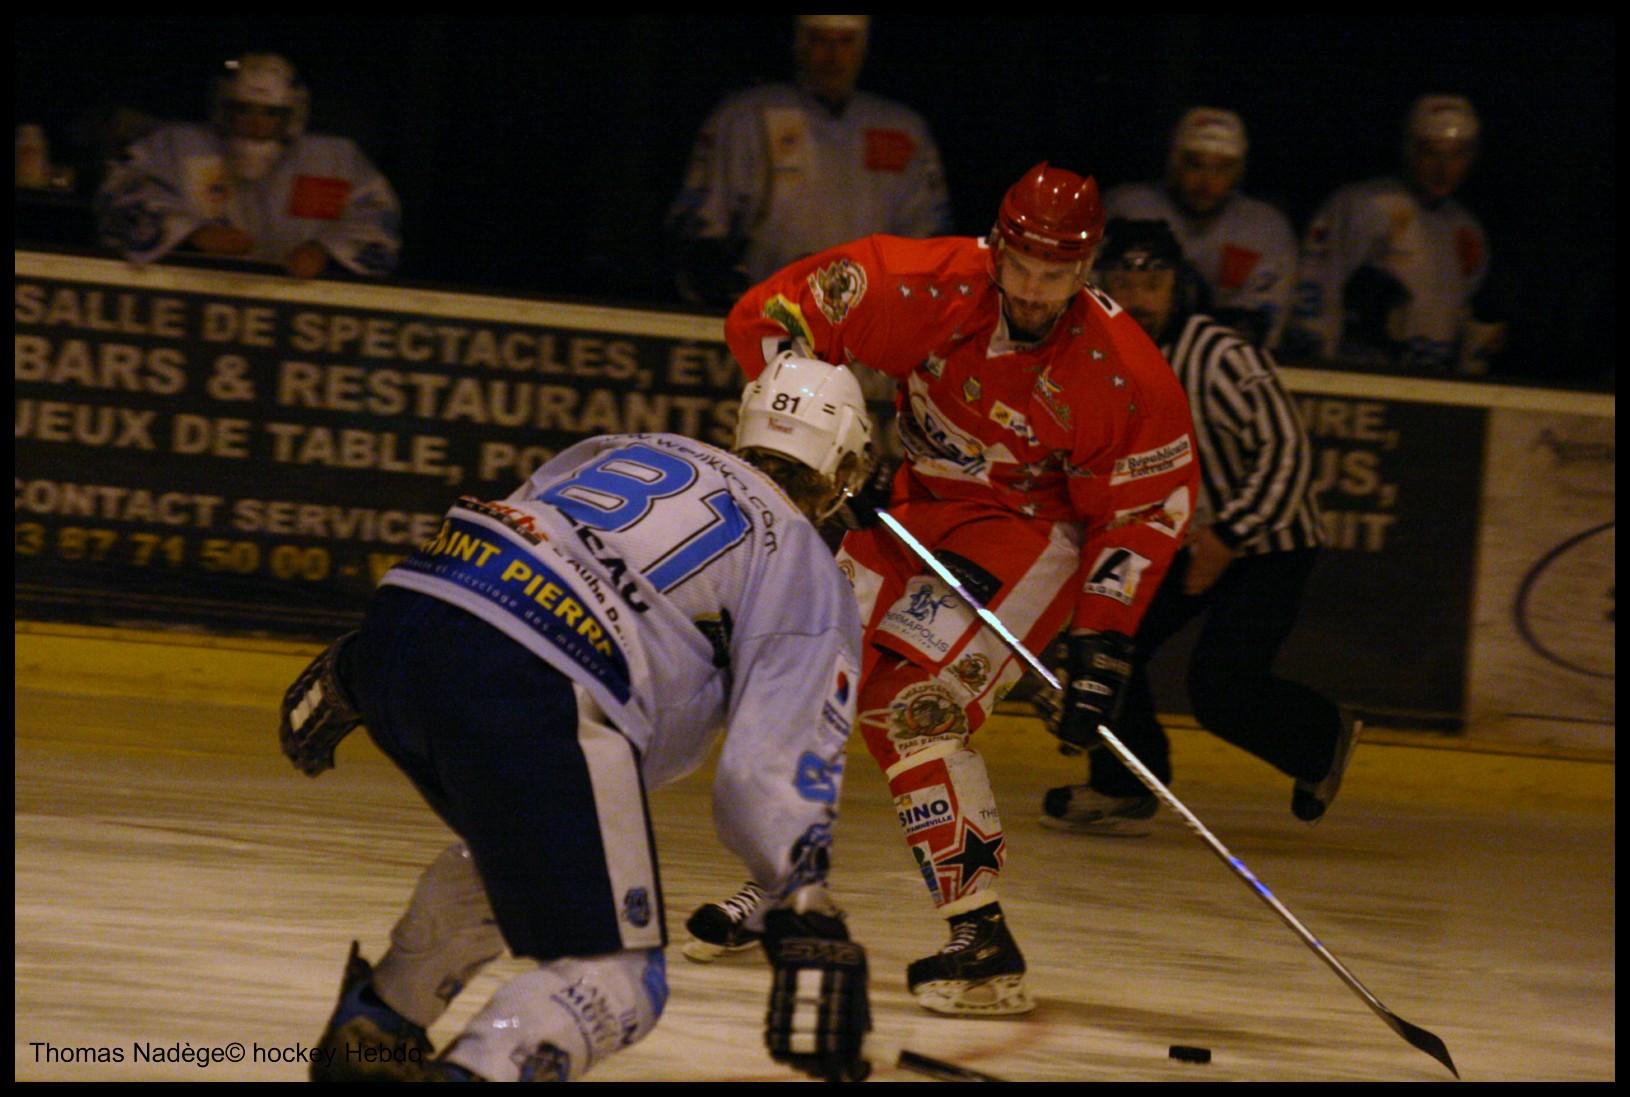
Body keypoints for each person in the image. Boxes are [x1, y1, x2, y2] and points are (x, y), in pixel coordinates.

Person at [686, 163, 1201, 1017]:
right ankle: (784, 882)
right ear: (997, 245)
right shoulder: (918, 283)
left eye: (1056, 276)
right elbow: (772, 316)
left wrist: (1105, 638)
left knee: (913, 707)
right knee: (802, 674)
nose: (1032, 292)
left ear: (1086, 267)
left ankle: (983, 938)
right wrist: (825, 444)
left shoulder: (1122, 372)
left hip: (1032, 533)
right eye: (1020, 267)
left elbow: (1149, 507)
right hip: (911, 506)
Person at [277, 356, 878, 1082]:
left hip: (403, 621)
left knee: (514, 849)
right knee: (618, 976)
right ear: (845, 467)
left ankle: (376, 1028)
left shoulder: (631, 447)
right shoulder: (803, 561)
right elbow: (767, 771)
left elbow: (513, 542)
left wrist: (359, 662)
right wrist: (802, 895)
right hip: (543, 675)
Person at [1041, 218, 1360, 835]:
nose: (1138, 299)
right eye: (1123, 282)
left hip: (1268, 542)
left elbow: (1288, 451)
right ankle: (1125, 785)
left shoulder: (1219, 355)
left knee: (1221, 690)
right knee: (1107, 642)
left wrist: (1230, 535)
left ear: (1180, 287)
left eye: (1153, 283)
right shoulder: (1092, 357)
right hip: (1177, 538)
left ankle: (1321, 737)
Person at [664, 15, 952, 307]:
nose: (833, 56)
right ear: (799, 45)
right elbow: (699, 235)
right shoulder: (742, 119)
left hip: (868, 320)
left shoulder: (902, 131)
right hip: (769, 313)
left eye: (845, 42)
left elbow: (927, 240)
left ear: (862, 49)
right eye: (819, 40)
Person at [95, 52, 400, 279]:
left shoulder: (334, 160)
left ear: (292, 115)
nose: (255, 123)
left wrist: (326, 250)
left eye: (270, 113)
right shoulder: (178, 145)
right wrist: (188, 232)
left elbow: (377, 216)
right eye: (243, 109)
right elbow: (120, 194)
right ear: (223, 107)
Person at [1284, 94, 1502, 373]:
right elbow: (1315, 287)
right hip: (1357, 373)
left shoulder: (1466, 229)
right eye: (1430, 152)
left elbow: (1462, 312)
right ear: (1409, 150)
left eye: (1456, 155)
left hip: (1430, 379)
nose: (1443, 168)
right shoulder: (1361, 205)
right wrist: (1318, 366)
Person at [1103, 107, 1298, 350]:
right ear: (1173, 163)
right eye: (1195, 165)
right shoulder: (1127, 208)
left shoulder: (1265, 229)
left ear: (1239, 171)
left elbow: (1258, 324)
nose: (1207, 182)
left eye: (1222, 168)